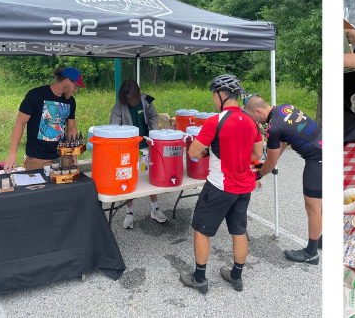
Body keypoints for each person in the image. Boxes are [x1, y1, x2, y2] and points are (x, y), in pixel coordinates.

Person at [180, 75, 263, 294]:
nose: (214, 101)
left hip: (219, 185)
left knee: (201, 229)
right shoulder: (251, 120)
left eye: (214, 96)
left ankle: (199, 277)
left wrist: (209, 150)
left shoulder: (215, 121)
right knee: (239, 230)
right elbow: (256, 153)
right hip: (244, 186)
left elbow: (193, 152)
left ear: (223, 95)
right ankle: (236, 276)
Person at [244, 96, 323, 264]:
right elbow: (284, 141)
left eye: (253, 118)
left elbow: (271, 162)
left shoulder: (273, 128)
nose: (255, 123)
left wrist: (260, 174)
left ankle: (311, 253)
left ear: (258, 111)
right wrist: (267, 165)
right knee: (321, 202)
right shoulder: (284, 109)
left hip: (317, 159)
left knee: (313, 207)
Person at [109, 79, 168, 228]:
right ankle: (129, 213)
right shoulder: (118, 108)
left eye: (136, 98)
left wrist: (154, 133)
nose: (134, 102)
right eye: (131, 99)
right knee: (129, 179)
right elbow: (113, 129)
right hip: (129, 149)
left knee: (150, 177)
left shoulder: (146, 99)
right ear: (124, 97)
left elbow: (154, 116)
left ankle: (155, 209)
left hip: (147, 145)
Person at [4, 67, 82, 173]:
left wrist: (74, 158)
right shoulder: (35, 95)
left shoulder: (70, 101)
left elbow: (71, 129)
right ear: (67, 81)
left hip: (63, 156)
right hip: (37, 159)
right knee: (38, 189)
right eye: (76, 86)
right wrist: (12, 153)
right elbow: (20, 123)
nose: (76, 90)